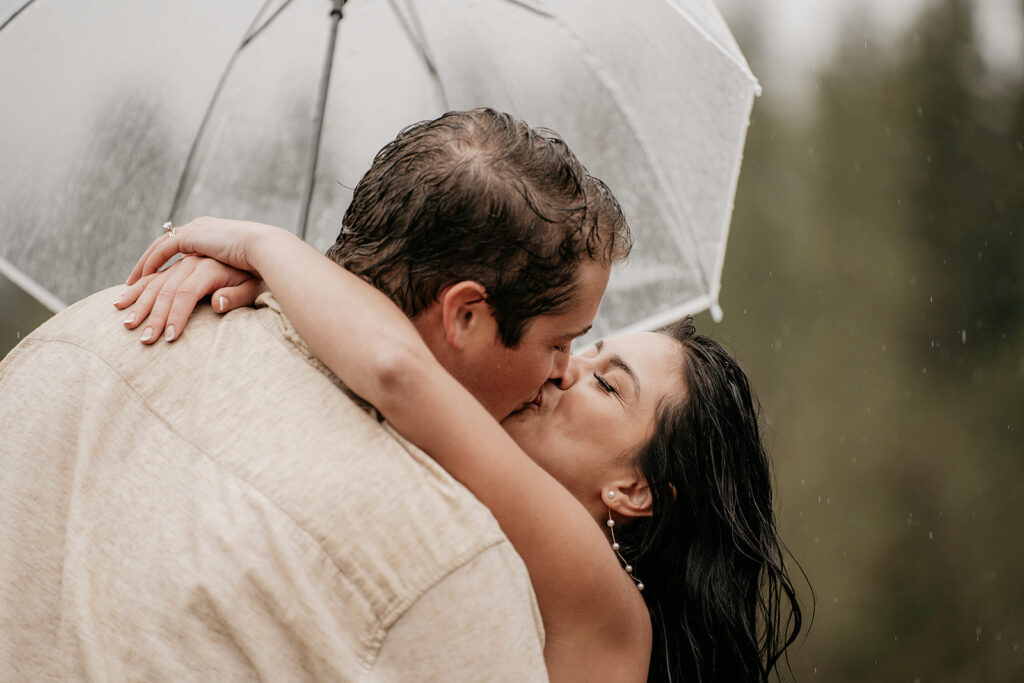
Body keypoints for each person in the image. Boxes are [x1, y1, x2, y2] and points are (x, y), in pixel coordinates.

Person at [0, 109, 630, 680]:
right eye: (562, 341)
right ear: (465, 315)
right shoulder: (445, 561)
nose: (563, 372)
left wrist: (267, 249)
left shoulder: (91, 329)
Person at [123, 218, 804, 682]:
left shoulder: (602, 597)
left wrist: (261, 247)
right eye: (581, 349)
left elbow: (399, 372)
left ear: (635, 489)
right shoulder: (483, 527)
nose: (563, 371)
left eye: (604, 382)